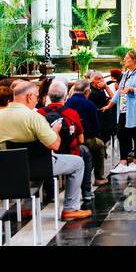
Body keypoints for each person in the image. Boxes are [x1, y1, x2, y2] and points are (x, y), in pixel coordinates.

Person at [0, 79, 90, 220]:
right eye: (36, 96)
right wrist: (55, 131)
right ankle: (71, 208)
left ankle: (26, 207)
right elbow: (54, 145)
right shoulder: (33, 117)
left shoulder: (0, 116)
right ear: (29, 96)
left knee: (30, 164)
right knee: (78, 162)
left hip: (13, 167)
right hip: (39, 166)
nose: (37, 100)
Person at [38, 79, 94, 208]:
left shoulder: (40, 113)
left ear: (48, 96)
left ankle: (50, 193)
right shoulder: (71, 113)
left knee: (44, 154)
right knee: (85, 152)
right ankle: (86, 192)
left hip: (48, 153)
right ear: (65, 96)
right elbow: (80, 139)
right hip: (70, 151)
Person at [103, 50, 136, 174]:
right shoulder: (125, 74)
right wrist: (110, 105)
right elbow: (118, 92)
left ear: (134, 60)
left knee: (135, 134)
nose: (124, 60)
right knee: (121, 134)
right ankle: (123, 163)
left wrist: (131, 89)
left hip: (135, 110)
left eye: (127, 58)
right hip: (123, 109)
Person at [65, 79, 107, 185]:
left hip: (68, 139)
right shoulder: (89, 104)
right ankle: (98, 177)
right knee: (100, 145)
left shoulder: (67, 102)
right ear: (87, 91)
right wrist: (98, 136)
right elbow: (96, 126)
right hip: (85, 139)